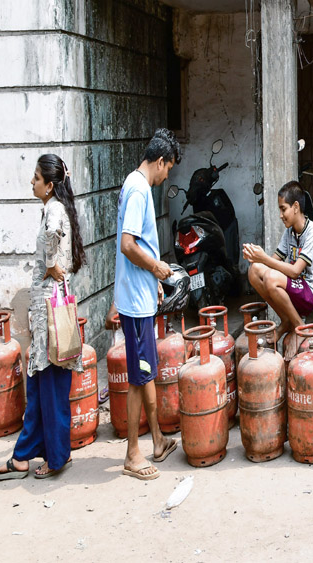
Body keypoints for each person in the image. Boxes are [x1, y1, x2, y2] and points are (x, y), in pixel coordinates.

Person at [0, 155, 87, 481]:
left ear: (49, 184)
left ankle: (55, 457)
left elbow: (52, 240)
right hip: (47, 308)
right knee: (42, 386)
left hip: (49, 311)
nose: (31, 183)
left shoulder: (54, 210)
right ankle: (30, 454)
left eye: (35, 178)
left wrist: (50, 265)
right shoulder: (55, 207)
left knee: (51, 387)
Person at [113, 128, 181, 480]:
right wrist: (156, 267)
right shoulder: (139, 189)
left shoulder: (131, 184)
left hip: (138, 294)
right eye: (168, 168)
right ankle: (132, 454)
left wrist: (151, 277)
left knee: (146, 370)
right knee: (139, 378)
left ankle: (156, 440)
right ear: (159, 161)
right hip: (136, 303)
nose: (167, 175)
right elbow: (127, 244)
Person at [244, 181, 313, 358]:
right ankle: (286, 320)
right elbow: (270, 263)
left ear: (296, 207)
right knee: (254, 271)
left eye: (283, 209)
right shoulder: (289, 233)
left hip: (310, 292)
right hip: (296, 287)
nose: (281, 215)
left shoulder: (312, 232)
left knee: (272, 277)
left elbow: (295, 271)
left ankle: (298, 328)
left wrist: (264, 258)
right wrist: (255, 257)